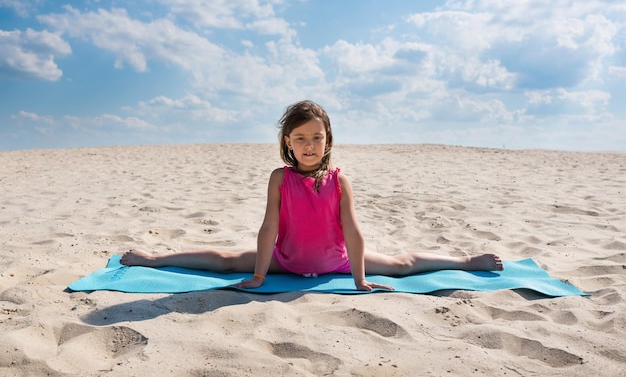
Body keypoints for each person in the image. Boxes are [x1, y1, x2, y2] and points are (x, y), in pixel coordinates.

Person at [121, 100, 503, 291]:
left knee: (400, 264)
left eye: (316, 138)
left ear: (327, 140)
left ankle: (466, 261)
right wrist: (258, 274)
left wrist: (359, 280)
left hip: (336, 261)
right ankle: (154, 259)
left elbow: (352, 233)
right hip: (285, 260)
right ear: (288, 143)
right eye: (300, 139)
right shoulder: (279, 178)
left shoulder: (339, 180)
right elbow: (269, 227)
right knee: (225, 259)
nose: (309, 145)